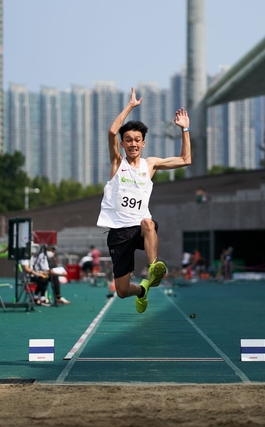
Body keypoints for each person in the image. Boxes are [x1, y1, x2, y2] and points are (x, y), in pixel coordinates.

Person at [97, 87, 191, 313]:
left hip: (139, 226)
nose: (133, 143)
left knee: (149, 223)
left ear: (143, 143)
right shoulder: (117, 163)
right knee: (120, 291)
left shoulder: (150, 165)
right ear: (122, 144)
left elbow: (185, 160)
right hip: (119, 231)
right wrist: (130, 106)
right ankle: (142, 290)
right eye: (128, 140)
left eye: (137, 140)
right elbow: (112, 132)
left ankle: (153, 268)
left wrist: (185, 129)